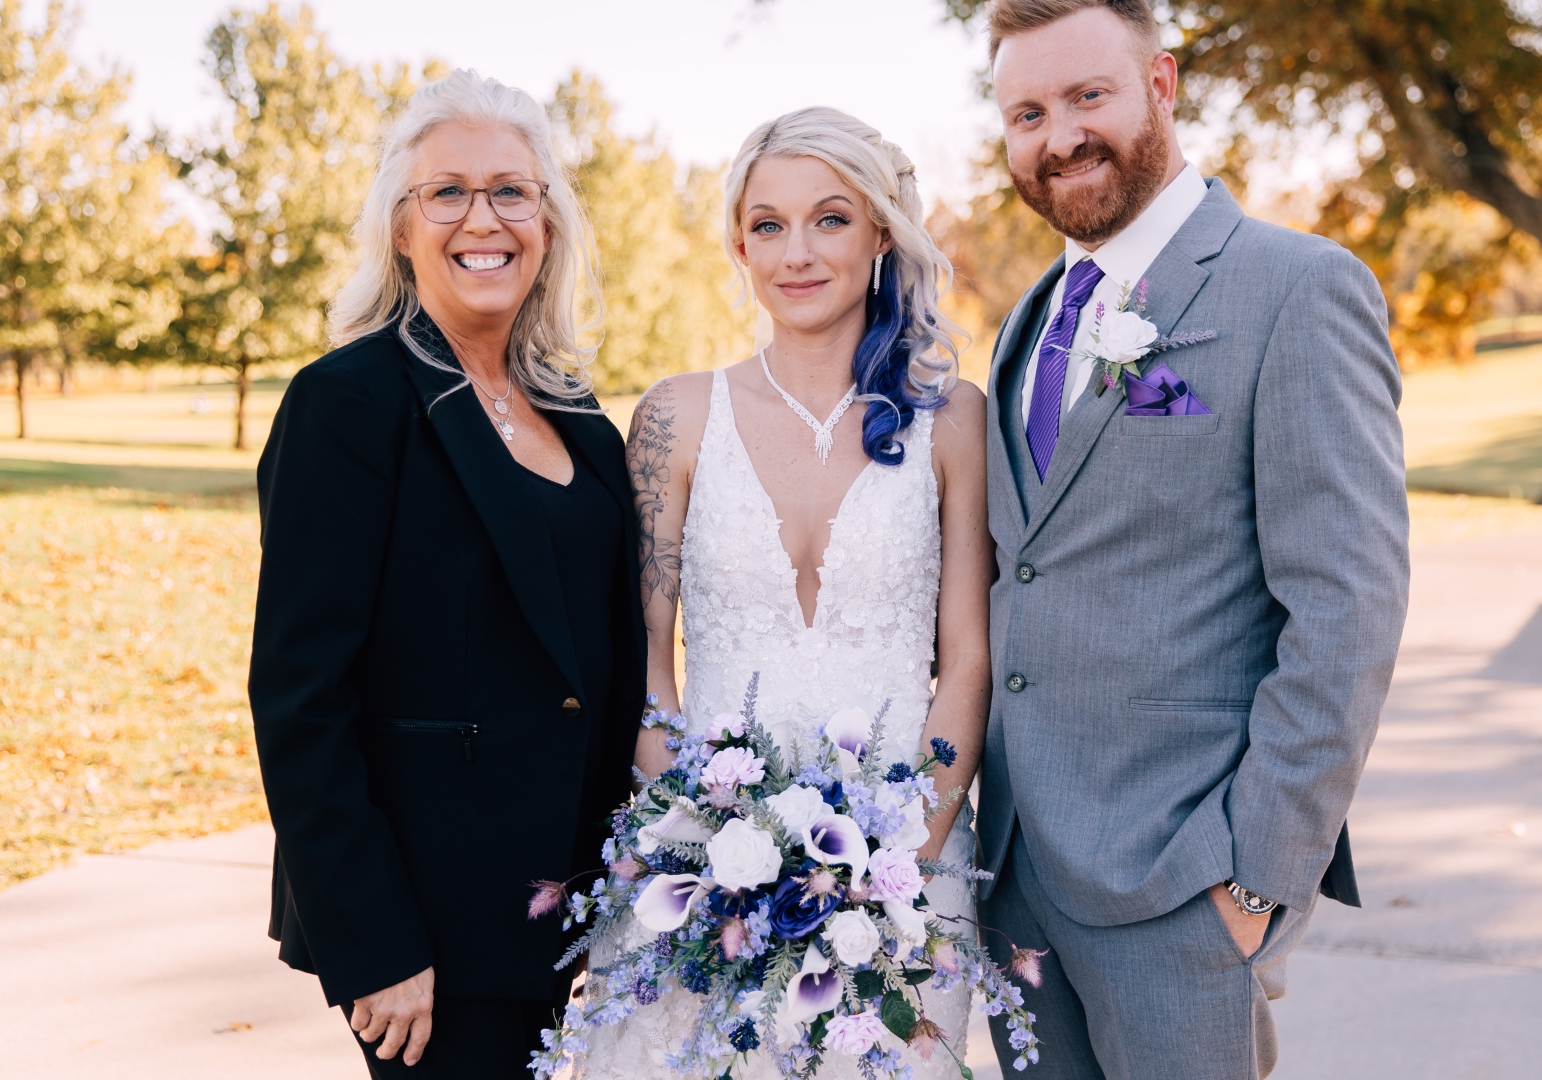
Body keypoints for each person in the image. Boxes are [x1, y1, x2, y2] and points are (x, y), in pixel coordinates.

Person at [971, 2, 1411, 1078]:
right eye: (1027, 112)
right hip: (1017, 888)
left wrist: (1256, 880)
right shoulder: (1027, 320)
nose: (1059, 135)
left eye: (1089, 96)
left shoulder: (1297, 289)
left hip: (1182, 893)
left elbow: (1346, 610)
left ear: (1161, 84)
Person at [578, 107, 995, 1078]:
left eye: (831, 219)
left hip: (903, 866)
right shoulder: (677, 418)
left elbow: (966, 656)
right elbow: (643, 653)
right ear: (739, 245)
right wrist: (705, 836)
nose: (796, 252)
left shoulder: (953, 420)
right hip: (701, 869)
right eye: (768, 225)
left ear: (882, 233)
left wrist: (895, 866)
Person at [249, 70, 646, 1079]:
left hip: (560, 914)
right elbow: (299, 697)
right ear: (401, 226)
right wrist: (374, 942)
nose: (486, 219)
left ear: (547, 222)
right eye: (449, 193)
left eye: (513, 191)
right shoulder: (349, 404)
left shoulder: (582, 423)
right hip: (425, 930)